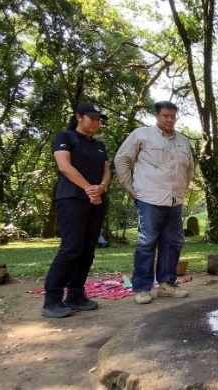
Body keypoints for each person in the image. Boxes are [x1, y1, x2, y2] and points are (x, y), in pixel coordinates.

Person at [114, 101, 195, 304]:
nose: (169, 119)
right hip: (149, 199)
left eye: (173, 116)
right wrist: (131, 188)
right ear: (157, 116)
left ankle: (167, 284)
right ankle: (142, 288)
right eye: (165, 116)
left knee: (173, 242)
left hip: (175, 200)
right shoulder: (141, 135)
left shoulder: (183, 141)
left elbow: (189, 168)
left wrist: (183, 189)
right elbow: (122, 160)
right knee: (147, 242)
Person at [42, 102, 111, 318]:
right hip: (71, 198)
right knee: (71, 247)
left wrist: (101, 187)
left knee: (88, 249)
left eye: (99, 119)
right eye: (92, 118)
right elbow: (65, 166)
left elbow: (106, 170)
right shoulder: (65, 137)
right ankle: (51, 300)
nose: (96, 122)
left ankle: (76, 294)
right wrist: (89, 189)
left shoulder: (99, 145)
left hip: (96, 201)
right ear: (79, 117)